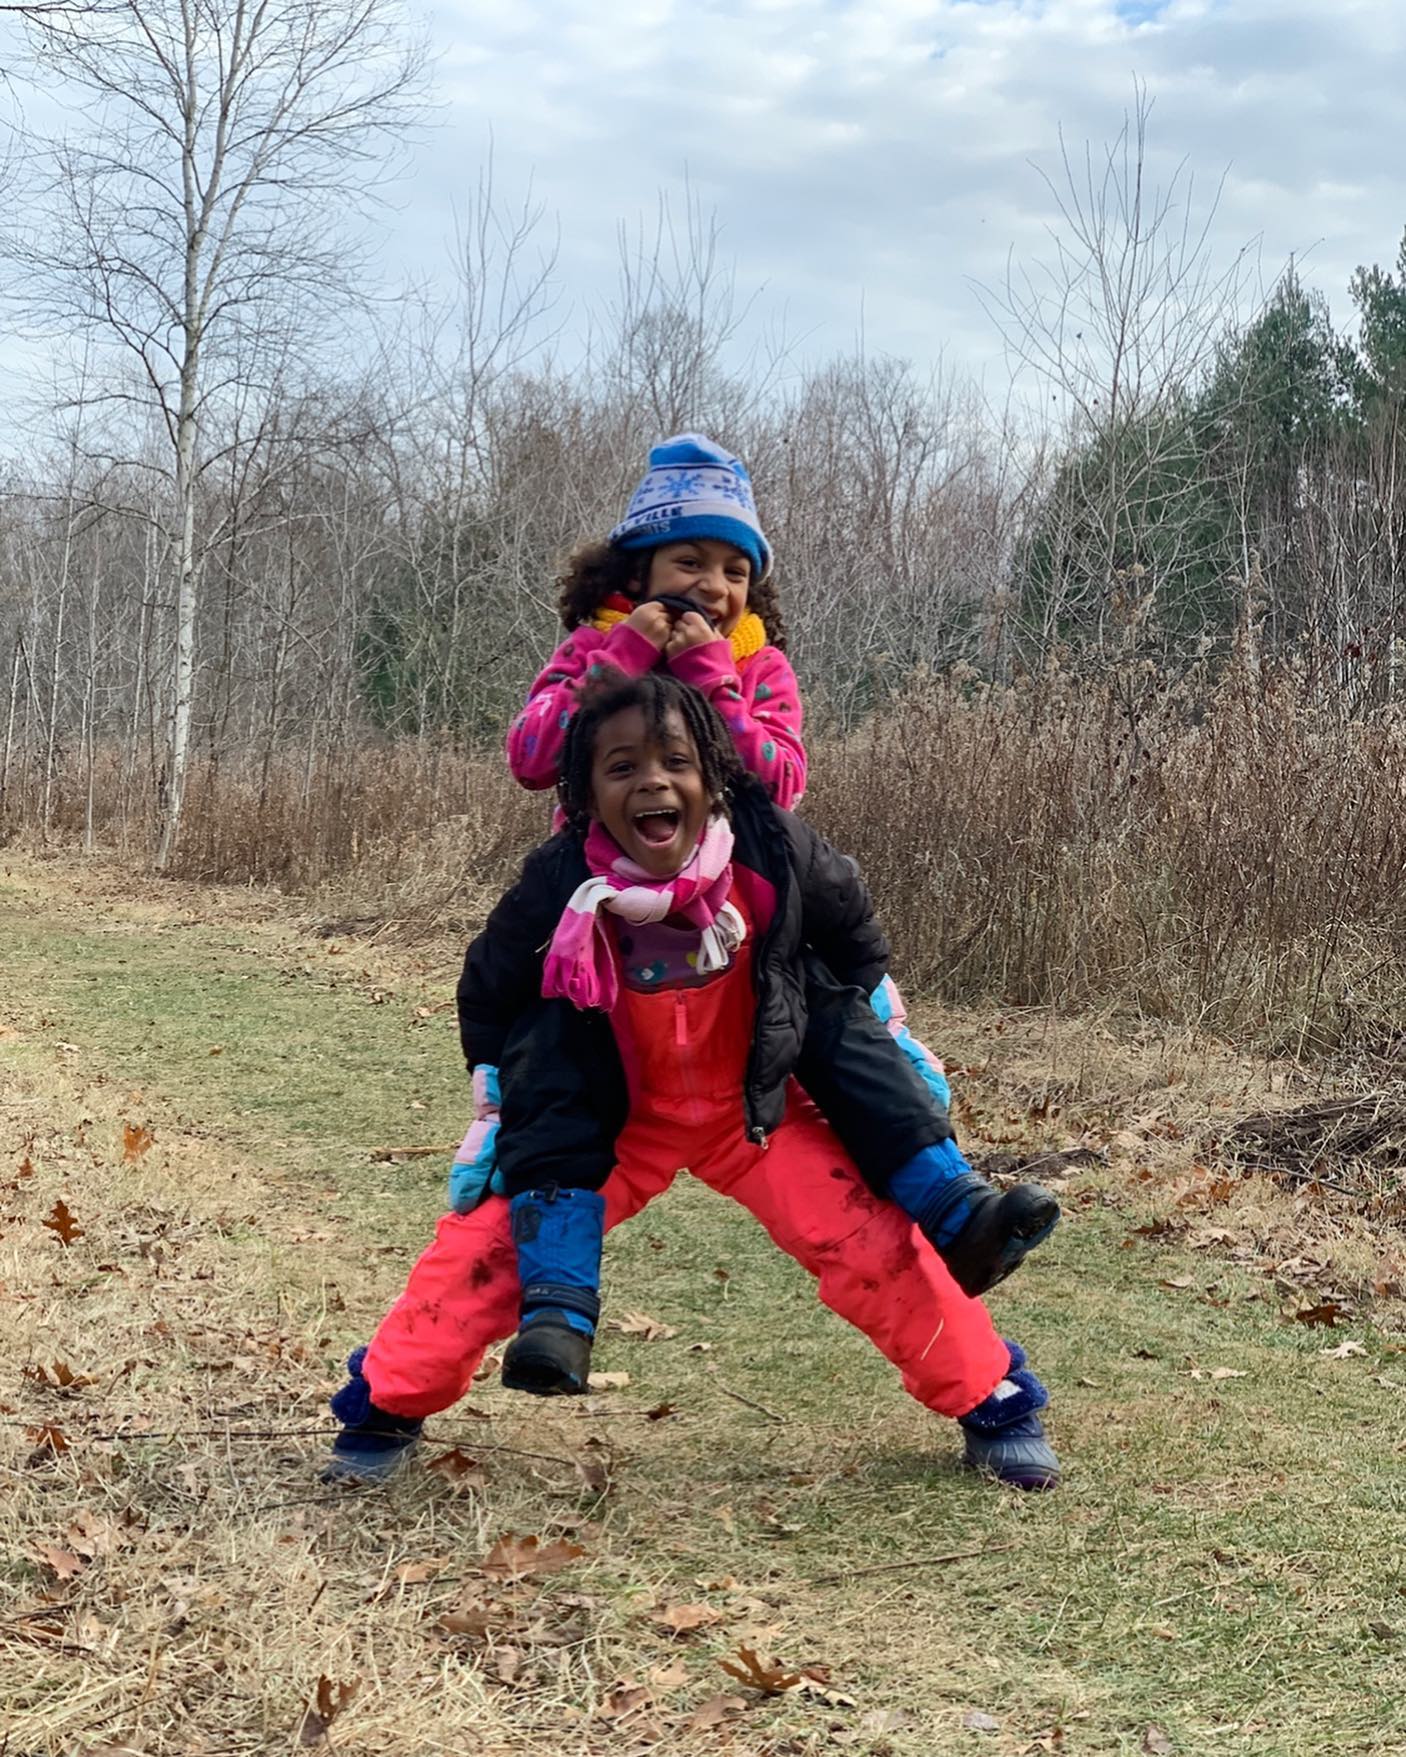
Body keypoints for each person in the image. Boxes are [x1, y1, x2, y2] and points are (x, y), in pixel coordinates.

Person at [324, 674, 1060, 1491]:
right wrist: (496, 1104)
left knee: (873, 1243)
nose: (651, 780)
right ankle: (386, 1402)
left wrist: (881, 1028)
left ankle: (993, 1400)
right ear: (585, 792)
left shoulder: (769, 851)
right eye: (621, 766)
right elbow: (489, 988)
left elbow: (853, 935)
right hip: (609, 1122)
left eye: (676, 759)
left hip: (754, 1107)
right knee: (490, 1251)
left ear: (714, 774)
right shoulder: (560, 879)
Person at [453, 434, 1057, 1279]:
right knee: (556, 1072)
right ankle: (553, 1299)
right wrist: (623, 660)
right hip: (601, 924)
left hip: (741, 928)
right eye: (690, 560)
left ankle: (956, 1208)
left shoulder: (759, 666)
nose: (713, 586)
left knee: (835, 1030)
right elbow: (530, 756)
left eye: (735, 570)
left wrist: (710, 676)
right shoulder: (589, 652)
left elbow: (779, 782)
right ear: (639, 567)